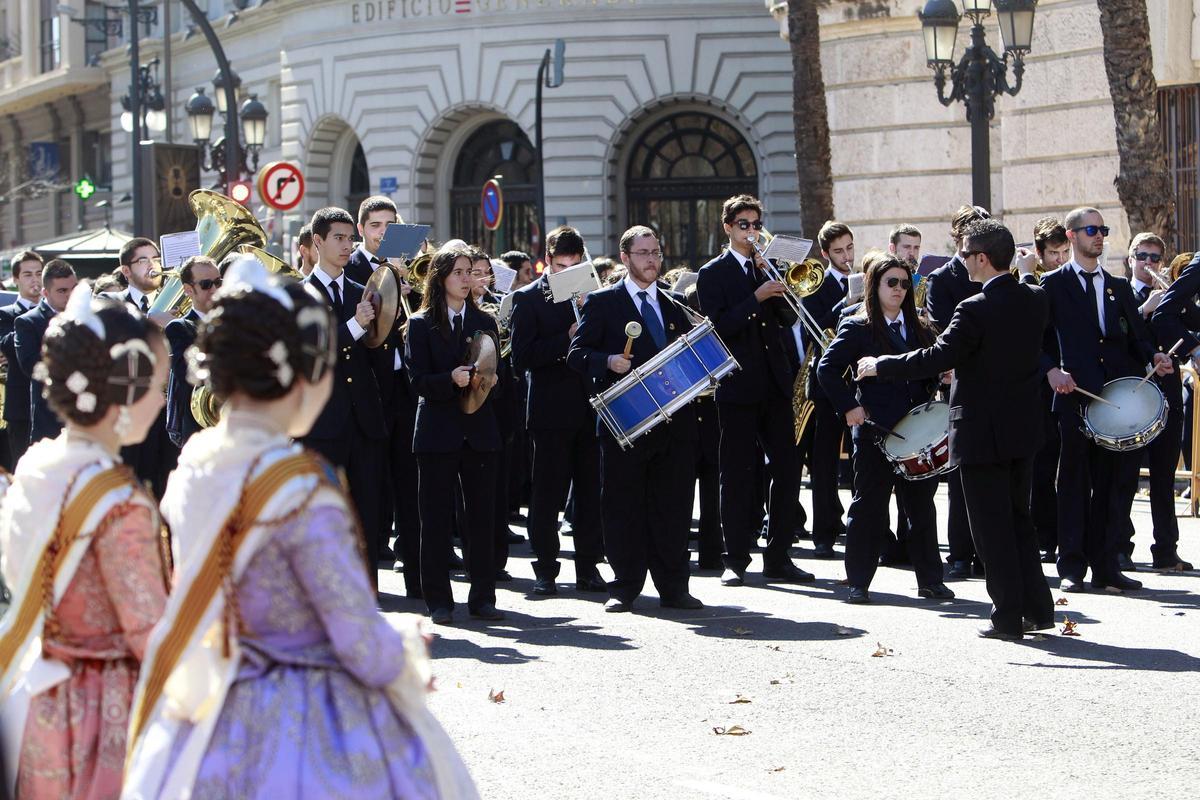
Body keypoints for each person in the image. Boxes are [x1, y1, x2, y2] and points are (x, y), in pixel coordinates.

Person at [122, 256, 478, 799]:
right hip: (299, 712)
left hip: (210, 699)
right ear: (298, 374)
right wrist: (404, 651)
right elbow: (353, 631)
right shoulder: (303, 488)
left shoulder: (196, 462)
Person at [0, 284, 169, 797]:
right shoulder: (119, 501)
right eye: (157, 384)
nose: (162, 399)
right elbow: (151, 633)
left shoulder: (35, 465)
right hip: (103, 709)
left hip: (37, 694)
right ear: (125, 388)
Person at [857, 219, 1054, 640]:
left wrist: (881, 365)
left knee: (991, 528)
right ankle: (1038, 609)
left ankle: (1008, 616)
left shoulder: (974, 308)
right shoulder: (1035, 298)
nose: (960, 260)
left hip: (982, 432)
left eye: (964, 253)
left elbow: (936, 356)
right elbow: (1007, 326)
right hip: (1021, 429)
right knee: (1019, 520)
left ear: (981, 259)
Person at [568, 226, 702, 611]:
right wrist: (607, 361)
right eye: (643, 253)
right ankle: (624, 587)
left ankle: (674, 587)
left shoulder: (675, 302)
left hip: (674, 423)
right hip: (625, 424)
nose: (652, 260)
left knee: (673, 507)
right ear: (625, 258)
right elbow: (577, 354)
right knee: (623, 506)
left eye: (656, 252)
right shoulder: (603, 302)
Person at [1039, 207, 1172, 593]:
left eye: (1103, 230)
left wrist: (1154, 356)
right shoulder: (1051, 285)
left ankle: (1107, 565)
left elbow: (1136, 338)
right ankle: (1071, 567)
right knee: (1074, 482)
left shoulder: (1117, 286)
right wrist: (1051, 370)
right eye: (1091, 230)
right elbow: (1035, 341)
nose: (1099, 236)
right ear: (1071, 235)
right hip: (1074, 396)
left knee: (1112, 484)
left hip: (1115, 398)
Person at [817, 255, 953, 603]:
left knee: (921, 508)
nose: (899, 289)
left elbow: (928, 367)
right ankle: (858, 582)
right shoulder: (858, 327)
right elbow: (827, 369)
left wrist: (942, 376)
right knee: (869, 507)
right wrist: (849, 406)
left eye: (905, 284)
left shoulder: (921, 327)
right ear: (874, 285)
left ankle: (931, 580)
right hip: (875, 430)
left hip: (917, 431)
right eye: (891, 282)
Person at [696, 194, 813, 585]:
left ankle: (779, 556)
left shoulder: (766, 267)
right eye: (743, 225)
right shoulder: (713, 273)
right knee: (737, 474)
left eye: (755, 225)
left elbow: (787, 318)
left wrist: (776, 283)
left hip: (775, 384)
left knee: (788, 469)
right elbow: (718, 327)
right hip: (737, 385)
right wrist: (755, 297)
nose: (751, 232)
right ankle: (735, 558)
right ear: (728, 228)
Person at [405, 247, 505, 625]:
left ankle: (483, 597)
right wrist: (449, 379)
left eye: (470, 272)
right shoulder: (420, 323)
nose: (467, 279)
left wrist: (488, 380)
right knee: (434, 520)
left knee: (481, 519)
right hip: (437, 431)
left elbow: (496, 374)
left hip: (479, 432)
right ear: (441, 277)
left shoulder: (485, 320)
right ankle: (438, 601)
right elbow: (416, 380)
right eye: (459, 272)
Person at [509, 226, 606, 595]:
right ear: (547, 261)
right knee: (547, 495)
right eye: (561, 266)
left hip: (588, 406)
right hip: (550, 410)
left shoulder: (592, 295)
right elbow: (522, 358)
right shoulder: (528, 299)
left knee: (589, 492)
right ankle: (546, 569)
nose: (568, 273)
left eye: (575, 266)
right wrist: (565, 339)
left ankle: (588, 568)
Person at [299, 206, 389, 587]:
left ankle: (367, 593)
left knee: (368, 513)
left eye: (350, 238)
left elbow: (378, 353)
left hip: (363, 419)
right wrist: (355, 324)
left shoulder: (360, 291)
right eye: (338, 238)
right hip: (322, 424)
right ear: (317, 242)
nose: (347, 245)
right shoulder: (300, 295)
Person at [346, 195, 417, 573]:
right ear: (361, 229)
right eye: (375, 226)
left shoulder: (408, 266)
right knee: (372, 477)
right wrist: (387, 294)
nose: (383, 233)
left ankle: (412, 551)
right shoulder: (353, 269)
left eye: (390, 226)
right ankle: (372, 550)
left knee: (409, 473)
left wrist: (411, 287)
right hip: (372, 383)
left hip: (406, 382)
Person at [922, 205, 990, 580]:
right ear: (957, 238)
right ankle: (961, 552)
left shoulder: (993, 273)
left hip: (992, 382)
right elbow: (942, 329)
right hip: (959, 382)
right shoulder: (942, 279)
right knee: (961, 472)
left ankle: (987, 551)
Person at [1119, 233, 1193, 572]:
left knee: (1164, 476)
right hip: (1135, 396)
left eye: (1155, 258)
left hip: (1166, 393)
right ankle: (1121, 547)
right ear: (1130, 259)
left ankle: (1166, 549)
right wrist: (1144, 310)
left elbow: (1185, 329)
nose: (1148, 263)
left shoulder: (1171, 297)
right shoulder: (1120, 292)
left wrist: (1174, 303)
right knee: (1126, 476)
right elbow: (1113, 333)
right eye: (1142, 256)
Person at [1014, 217, 1071, 562]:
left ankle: (1067, 534)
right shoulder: (1032, 284)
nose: (1059, 260)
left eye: (1064, 252)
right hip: (1040, 385)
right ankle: (1044, 536)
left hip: (1069, 382)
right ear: (1039, 253)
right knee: (1043, 464)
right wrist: (1049, 368)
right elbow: (1027, 336)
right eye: (1053, 253)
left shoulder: (1068, 280)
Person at [803, 220, 855, 558]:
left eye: (850, 248)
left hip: (859, 382)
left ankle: (865, 527)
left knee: (863, 460)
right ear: (825, 254)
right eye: (838, 251)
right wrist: (847, 301)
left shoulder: (865, 279)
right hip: (826, 384)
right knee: (823, 463)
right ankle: (823, 532)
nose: (847, 256)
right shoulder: (814, 285)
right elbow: (814, 329)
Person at [113, 237, 178, 497]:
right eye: (143, 260)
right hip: (133, 410)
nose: (153, 266)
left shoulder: (178, 299)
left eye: (156, 259)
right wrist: (151, 319)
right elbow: (114, 330)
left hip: (169, 408)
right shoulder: (112, 301)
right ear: (126, 270)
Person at [15, 259, 78, 444]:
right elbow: (31, 366)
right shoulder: (28, 322)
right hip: (50, 418)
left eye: (74, 289)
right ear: (45, 292)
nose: (70, 295)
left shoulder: (89, 317)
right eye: (62, 291)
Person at [164, 255, 221, 449]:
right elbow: (186, 374)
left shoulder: (235, 322)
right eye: (206, 285)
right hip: (201, 431)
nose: (214, 289)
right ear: (188, 290)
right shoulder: (180, 327)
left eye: (218, 282)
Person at [0, 251, 43, 467]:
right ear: (16, 279)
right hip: (21, 408)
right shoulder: (5, 314)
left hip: (52, 405)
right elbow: (6, 345)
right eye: (27, 274)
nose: (35, 280)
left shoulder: (56, 312)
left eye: (39, 273)